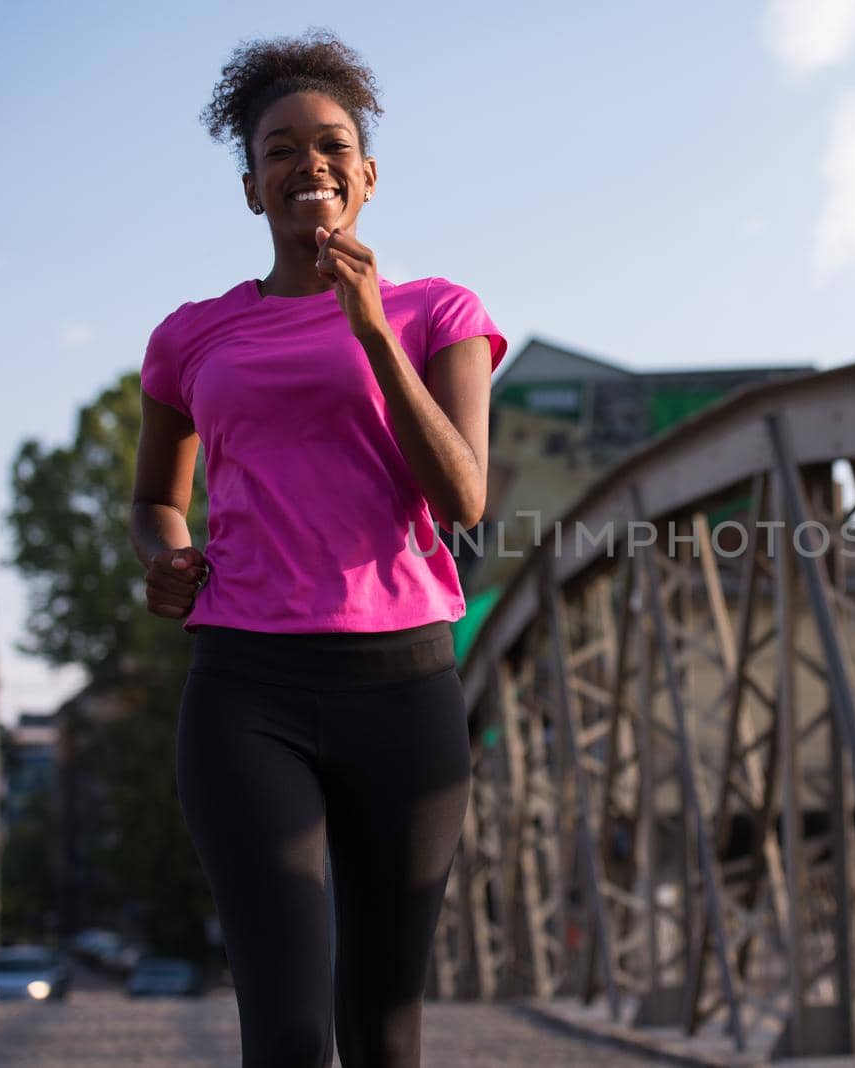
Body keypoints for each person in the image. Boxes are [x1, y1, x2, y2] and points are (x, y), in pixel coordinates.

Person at [128, 29, 506, 1068]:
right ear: (252, 188)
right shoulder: (190, 337)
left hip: (406, 686)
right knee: (289, 1031)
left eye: (332, 144)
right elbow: (157, 500)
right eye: (281, 149)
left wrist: (373, 330)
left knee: (383, 1029)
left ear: (368, 176)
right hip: (247, 689)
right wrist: (163, 557)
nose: (310, 164)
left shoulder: (440, 314)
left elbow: (463, 497)